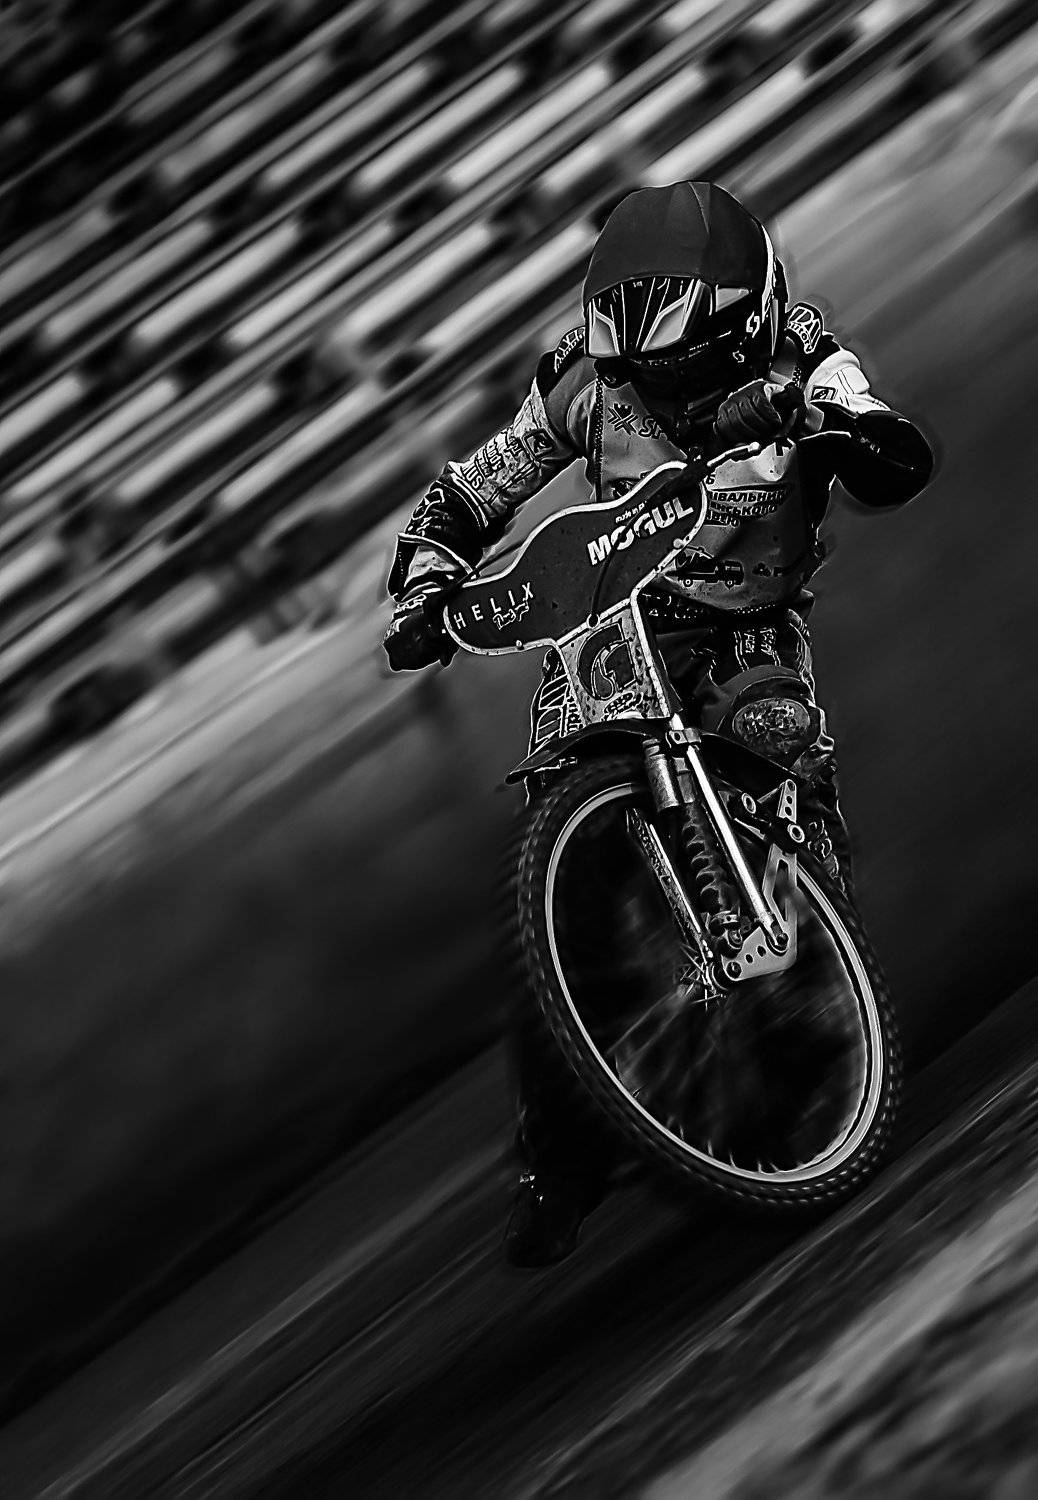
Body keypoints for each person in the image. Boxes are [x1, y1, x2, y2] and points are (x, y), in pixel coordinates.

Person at [381, 180, 934, 1267]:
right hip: (609, 627)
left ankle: (811, 988)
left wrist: (844, 429)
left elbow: (888, 451)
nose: (660, 387)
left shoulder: (807, 354)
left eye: (686, 365)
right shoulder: (586, 379)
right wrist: (428, 579)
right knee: (555, 857)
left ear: (748, 319)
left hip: (747, 629)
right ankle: (559, 1148)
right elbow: (469, 494)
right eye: (642, 369)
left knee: (777, 737)